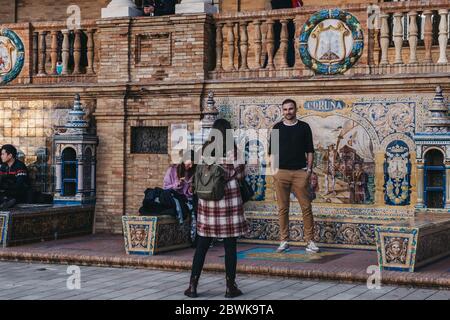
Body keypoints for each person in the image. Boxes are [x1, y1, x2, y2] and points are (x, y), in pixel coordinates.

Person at [184, 118, 248, 299]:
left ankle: (193, 286)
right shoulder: (234, 152)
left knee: (202, 246)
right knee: (230, 247)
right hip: (229, 206)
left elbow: (193, 173)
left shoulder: (204, 150)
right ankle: (230, 287)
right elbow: (242, 175)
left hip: (208, 205)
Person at [269, 99, 319, 253]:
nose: (288, 112)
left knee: (306, 207)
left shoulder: (304, 127)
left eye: (290, 109)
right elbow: (272, 152)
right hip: (281, 172)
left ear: (296, 109)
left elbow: (310, 150)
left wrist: (309, 171)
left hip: (300, 172)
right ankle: (284, 240)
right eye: (285, 109)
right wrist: (274, 171)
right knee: (283, 208)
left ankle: (310, 241)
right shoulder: (277, 128)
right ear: (282, 111)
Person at [0, 144, 31, 209]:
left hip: (19, 194)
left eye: (3, 154)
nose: (1, 156)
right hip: (7, 192)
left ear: (10, 155)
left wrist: (5, 188)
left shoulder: (19, 166)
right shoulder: (3, 166)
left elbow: (19, 185)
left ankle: (7, 201)